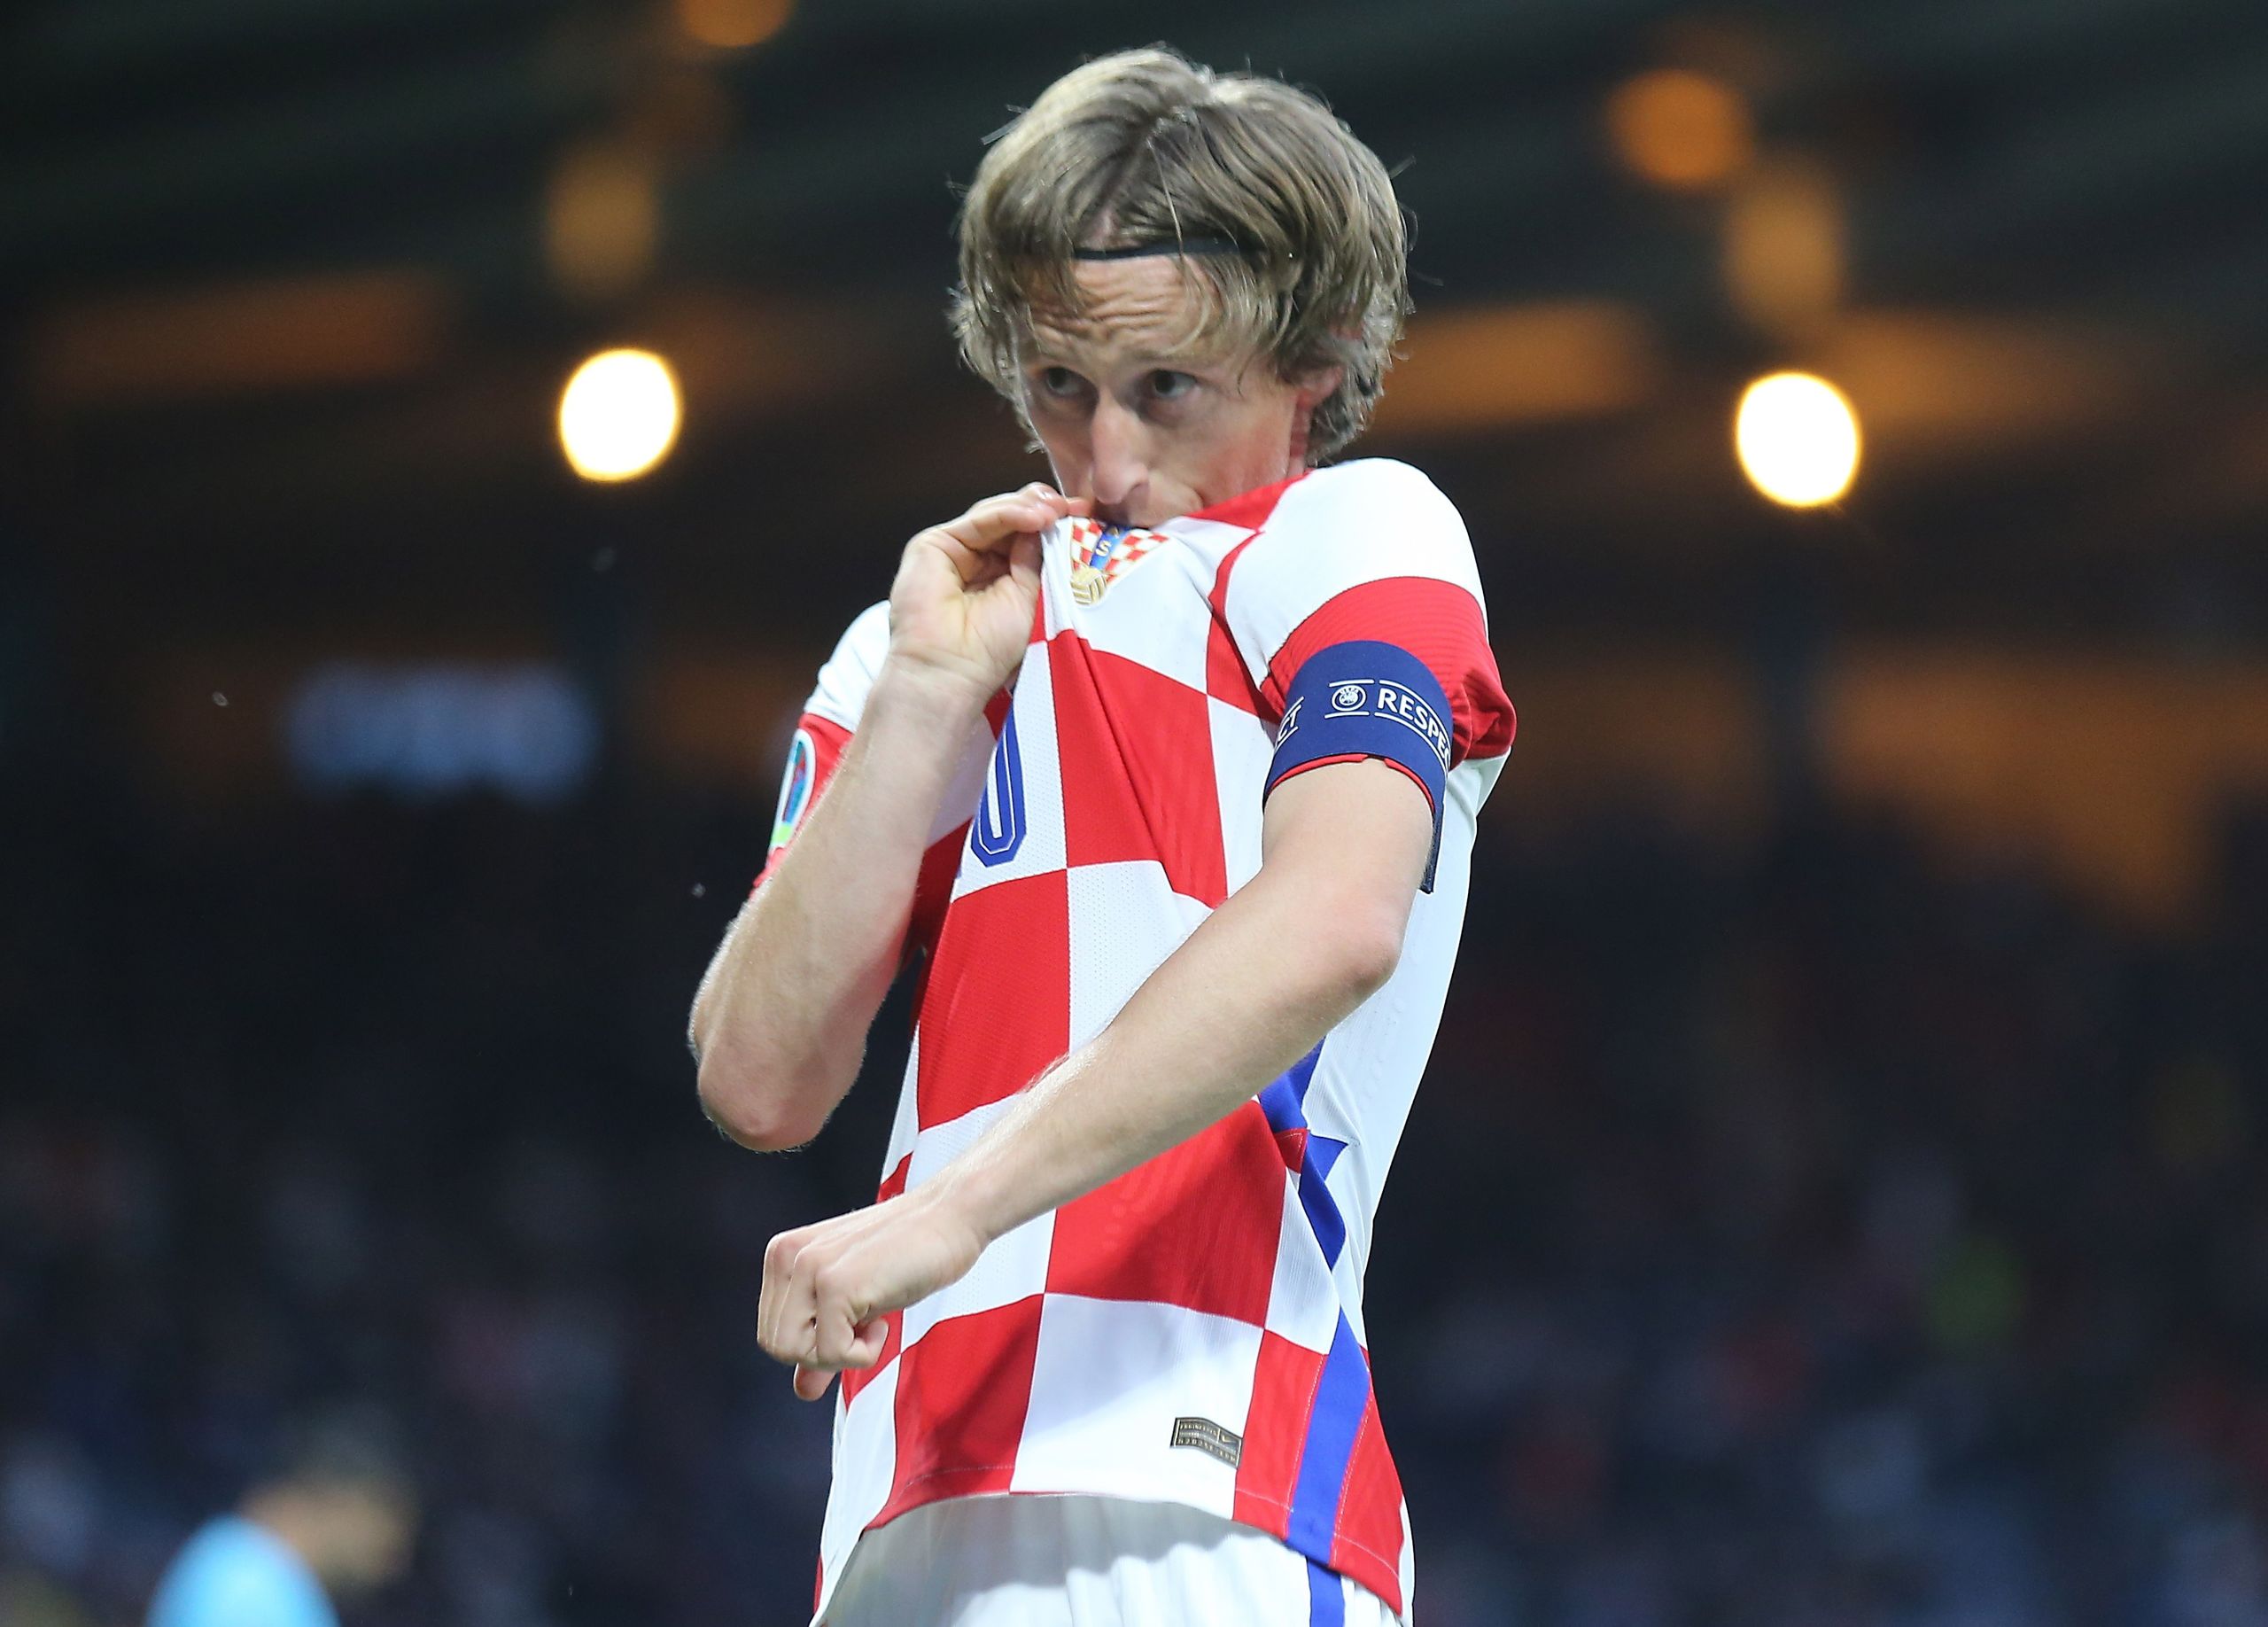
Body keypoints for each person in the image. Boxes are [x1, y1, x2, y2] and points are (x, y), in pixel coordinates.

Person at [688, 44, 1515, 1627]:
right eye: (1060, 387)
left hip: (1208, 1495)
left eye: (1166, 390)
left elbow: (1338, 917)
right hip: (901, 1515)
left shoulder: (1358, 534)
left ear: (1317, 363)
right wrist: (928, 690)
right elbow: (760, 1080)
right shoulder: (926, 634)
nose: (1108, 459)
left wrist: (949, 1210)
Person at [144, 1418, 415, 1627]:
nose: (394, 1562)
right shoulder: (249, 1588)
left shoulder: (249, 1570)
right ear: (344, 1500)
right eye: (391, 1528)